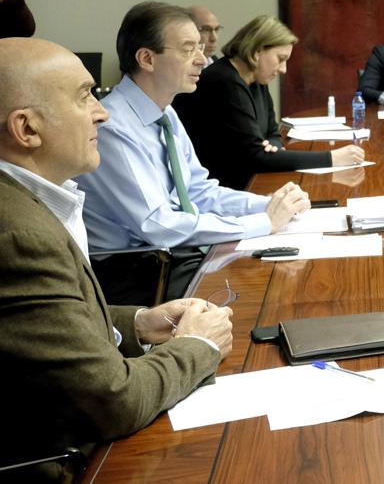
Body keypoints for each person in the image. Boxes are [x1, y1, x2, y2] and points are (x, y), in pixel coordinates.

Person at [0, 37, 233, 481]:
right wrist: (196, 346)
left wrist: (138, 322)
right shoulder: (19, 235)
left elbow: (51, 327)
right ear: (26, 129)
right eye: (85, 96)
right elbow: (114, 401)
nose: (102, 112)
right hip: (70, 461)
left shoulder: (30, 201)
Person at [76, 1, 311, 303]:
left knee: (283, 281)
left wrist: (265, 205)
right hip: (135, 276)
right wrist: (263, 222)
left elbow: (198, 192)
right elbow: (159, 225)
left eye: (201, 48)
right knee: (269, 295)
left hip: (173, 259)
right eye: (189, 49)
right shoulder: (113, 127)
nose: (203, 59)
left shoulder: (166, 114)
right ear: (147, 58)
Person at [174, 14, 364, 189]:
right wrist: (332, 157)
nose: (283, 69)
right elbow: (255, 157)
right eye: (281, 59)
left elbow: (273, 131)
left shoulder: (256, 79)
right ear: (257, 52)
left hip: (244, 180)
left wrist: (273, 145)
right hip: (218, 188)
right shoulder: (224, 82)